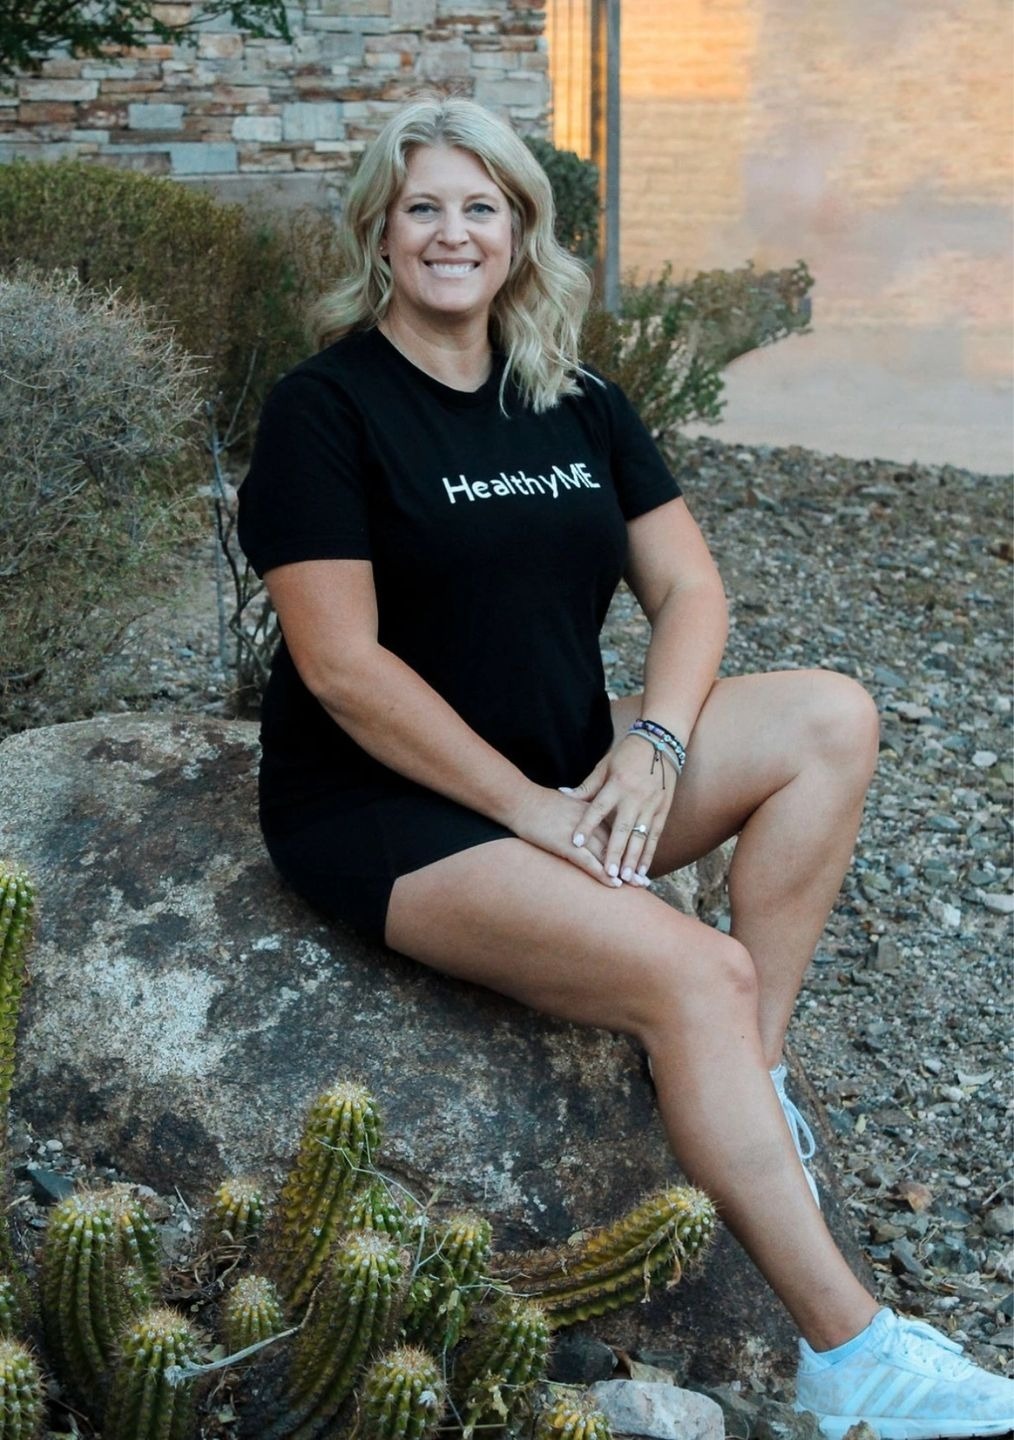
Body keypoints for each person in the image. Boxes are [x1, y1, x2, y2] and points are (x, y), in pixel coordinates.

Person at [237, 95, 1014, 1439]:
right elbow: (344, 668)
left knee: (829, 714)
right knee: (692, 967)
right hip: (392, 813)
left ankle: (747, 1084)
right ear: (379, 227)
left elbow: (691, 590)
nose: (451, 232)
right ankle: (852, 1365)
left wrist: (650, 744)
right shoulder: (325, 409)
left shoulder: (572, 396)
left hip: (564, 772)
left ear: (521, 232)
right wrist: (530, 812)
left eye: (480, 205)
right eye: (423, 204)